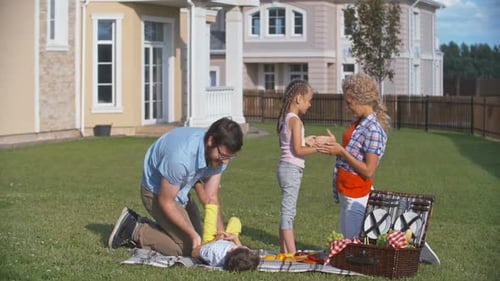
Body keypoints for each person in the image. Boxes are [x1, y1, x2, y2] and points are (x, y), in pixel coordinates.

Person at [108, 117, 243, 257]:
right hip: (156, 192)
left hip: (181, 191)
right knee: (191, 248)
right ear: (210, 141)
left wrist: (221, 235)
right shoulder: (181, 157)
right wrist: (192, 235)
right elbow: (166, 202)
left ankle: (163, 230)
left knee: (203, 242)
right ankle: (133, 229)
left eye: (230, 157)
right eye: (222, 155)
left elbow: (211, 199)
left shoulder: (218, 156)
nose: (225, 161)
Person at [317, 73, 390, 239]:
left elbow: (368, 170)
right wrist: (334, 144)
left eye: (349, 103)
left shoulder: (373, 129)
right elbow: (353, 151)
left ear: (361, 100)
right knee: (345, 242)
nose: (347, 107)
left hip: (357, 194)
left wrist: (341, 151)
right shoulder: (359, 122)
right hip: (347, 192)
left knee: (351, 245)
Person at [275, 79, 326, 254]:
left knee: (287, 212)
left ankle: (285, 251)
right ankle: (292, 253)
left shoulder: (286, 118)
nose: (310, 104)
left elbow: (291, 144)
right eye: (308, 100)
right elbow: (297, 150)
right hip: (291, 169)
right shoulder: (295, 121)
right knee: (288, 213)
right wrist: (319, 147)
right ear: (298, 99)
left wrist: (307, 140)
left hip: (285, 167)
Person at [191, 204, 260, 271]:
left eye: (249, 249)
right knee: (235, 220)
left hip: (210, 242)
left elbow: (194, 252)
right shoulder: (236, 257)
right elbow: (240, 249)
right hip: (227, 241)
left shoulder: (213, 252)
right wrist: (235, 239)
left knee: (211, 208)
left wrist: (215, 240)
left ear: (232, 249)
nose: (247, 247)